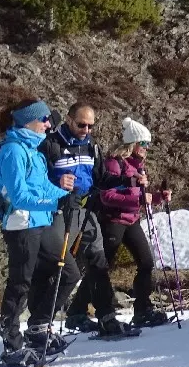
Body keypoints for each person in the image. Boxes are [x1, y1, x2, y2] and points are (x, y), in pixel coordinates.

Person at [45, 103, 139, 338]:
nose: (86, 130)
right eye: (81, 124)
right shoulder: (51, 144)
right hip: (60, 211)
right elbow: (38, 178)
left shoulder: (91, 146)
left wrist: (126, 182)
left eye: (90, 126)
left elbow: (100, 178)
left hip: (86, 210)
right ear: (68, 119)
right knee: (58, 267)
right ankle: (41, 324)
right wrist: (57, 187)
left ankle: (106, 317)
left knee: (98, 261)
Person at [0, 98, 74, 366]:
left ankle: (38, 325)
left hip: (40, 221)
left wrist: (65, 195)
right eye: (44, 119)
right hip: (20, 225)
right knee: (20, 283)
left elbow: (43, 187)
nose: (48, 125)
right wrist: (55, 202)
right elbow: (18, 196)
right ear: (28, 121)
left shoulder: (34, 151)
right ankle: (12, 344)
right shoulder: (13, 151)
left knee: (69, 272)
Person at [94, 118, 174, 329]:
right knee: (102, 267)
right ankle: (80, 309)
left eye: (148, 144)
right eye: (144, 143)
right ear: (132, 143)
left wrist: (159, 197)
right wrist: (138, 199)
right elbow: (107, 196)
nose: (147, 148)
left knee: (146, 262)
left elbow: (141, 197)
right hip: (113, 220)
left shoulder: (138, 165)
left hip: (131, 220)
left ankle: (142, 309)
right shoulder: (115, 163)